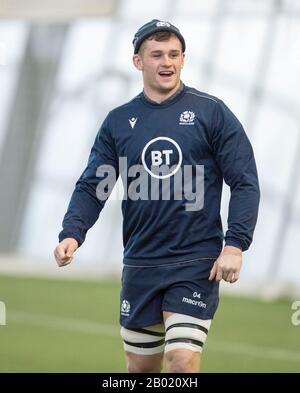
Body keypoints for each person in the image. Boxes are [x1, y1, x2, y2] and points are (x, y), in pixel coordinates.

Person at [54, 19, 260, 373]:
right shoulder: (119, 122)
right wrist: (73, 232)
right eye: (157, 55)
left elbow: (244, 181)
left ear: (183, 59)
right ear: (138, 61)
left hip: (195, 262)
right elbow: (94, 185)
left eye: (174, 55)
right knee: (141, 370)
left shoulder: (212, 113)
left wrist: (235, 245)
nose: (167, 62)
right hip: (140, 263)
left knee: (181, 361)